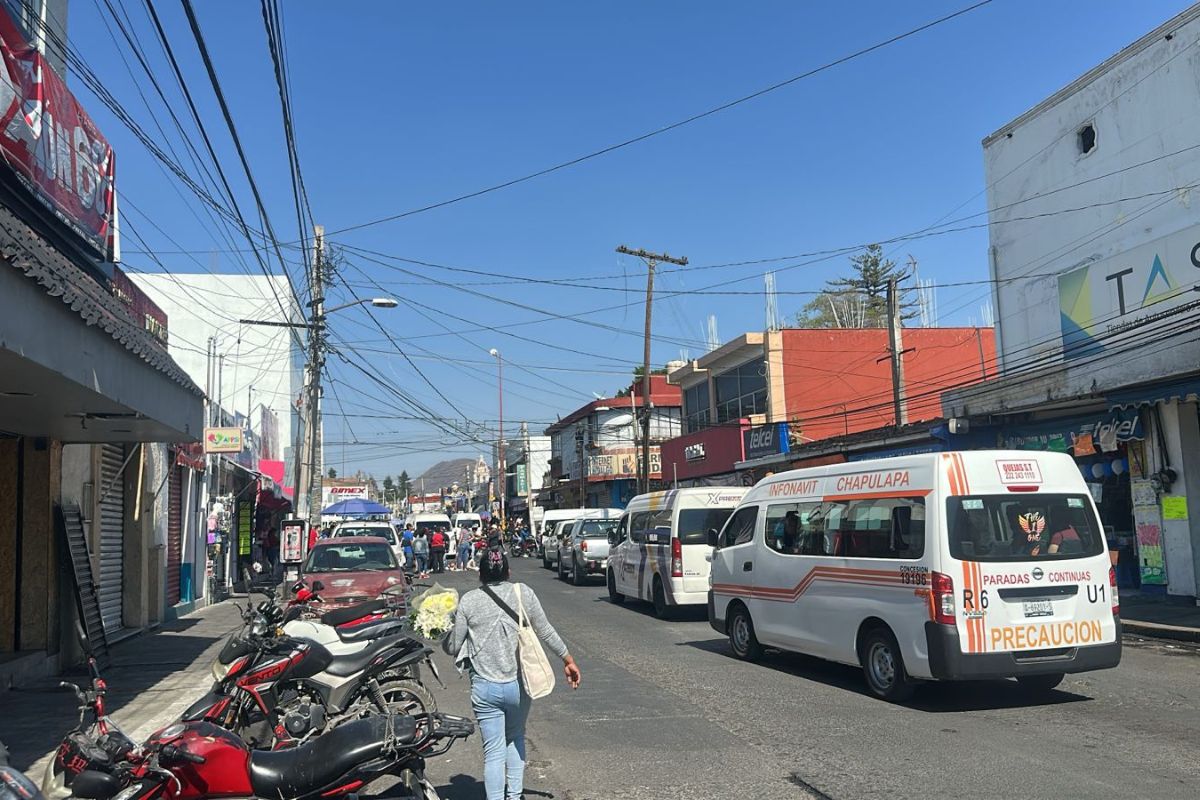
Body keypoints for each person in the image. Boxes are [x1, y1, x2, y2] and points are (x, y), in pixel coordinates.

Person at [443, 546, 580, 800]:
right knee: (515, 737)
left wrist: (442, 631)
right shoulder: (523, 593)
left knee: (493, 752)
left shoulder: (470, 600)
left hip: (484, 688)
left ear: (480, 575)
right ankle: (514, 797)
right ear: (508, 572)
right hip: (518, 686)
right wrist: (567, 659)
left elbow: (453, 647)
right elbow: (546, 631)